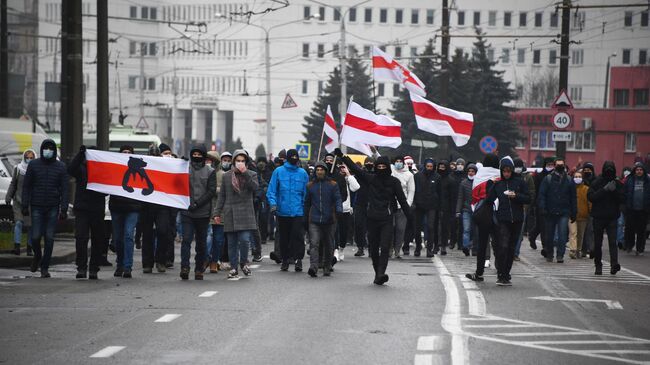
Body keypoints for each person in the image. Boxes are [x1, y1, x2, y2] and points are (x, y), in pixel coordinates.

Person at [336, 149, 409, 285]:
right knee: (374, 248)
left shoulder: (394, 182)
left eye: (383, 167)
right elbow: (356, 169)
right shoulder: (371, 179)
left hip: (387, 218)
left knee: (385, 247)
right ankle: (377, 273)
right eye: (379, 167)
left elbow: (402, 201)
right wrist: (342, 157)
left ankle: (381, 272)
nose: (381, 169)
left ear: (387, 167)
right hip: (372, 218)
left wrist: (410, 218)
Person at [22, 139, 69, 278]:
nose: (48, 150)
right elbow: (26, 186)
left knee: (49, 238)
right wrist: (25, 205)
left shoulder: (61, 167)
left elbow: (65, 189)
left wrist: (64, 209)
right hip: (36, 205)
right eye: (46, 148)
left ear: (54, 151)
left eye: (50, 148)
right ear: (42, 149)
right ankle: (38, 256)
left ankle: (45, 267)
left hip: (53, 206)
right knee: (35, 237)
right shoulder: (34, 165)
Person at [214, 150, 259, 279]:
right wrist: (217, 213)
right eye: (238, 161)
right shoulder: (227, 176)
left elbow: (255, 188)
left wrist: (245, 173)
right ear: (234, 161)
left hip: (246, 212)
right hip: (230, 212)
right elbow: (222, 196)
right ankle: (234, 267)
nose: (240, 163)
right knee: (232, 243)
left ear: (246, 162)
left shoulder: (252, 174)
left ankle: (244, 263)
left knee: (244, 240)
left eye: (242, 161)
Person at [486, 157, 530, 286]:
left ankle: (506, 274)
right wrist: (491, 184)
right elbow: (489, 200)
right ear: (501, 171)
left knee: (511, 248)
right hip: (503, 219)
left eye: (509, 171)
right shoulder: (498, 184)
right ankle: (500, 272)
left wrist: (516, 196)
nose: (506, 173)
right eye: (504, 171)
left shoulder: (519, 182)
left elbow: (528, 198)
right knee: (503, 246)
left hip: (517, 219)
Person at [267, 149, 309, 272]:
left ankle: (298, 260)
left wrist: (305, 208)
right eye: (292, 156)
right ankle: (285, 259)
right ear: (288, 158)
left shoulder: (303, 173)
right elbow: (272, 190)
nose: (295, 158)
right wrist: (273, 204)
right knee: (284, 237)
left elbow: (306, 193)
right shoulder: (278, 172)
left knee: (298, 236)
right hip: (282, 211)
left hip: (298, 211)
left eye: (297, 156)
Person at [68, 145, 107, 280]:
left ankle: (93, 268)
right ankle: (81, 268)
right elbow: (71, 169)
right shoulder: (81, 168)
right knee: (81, 238)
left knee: (97, 240)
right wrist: (80, 154)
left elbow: (108, 189)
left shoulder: (103, 170)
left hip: (97, 209)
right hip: (82, 209)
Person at [180, 145, 216, 280]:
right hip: (186, 212)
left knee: (201, 243)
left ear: (203, 156)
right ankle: (184, 267)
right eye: (193, 154)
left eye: (199, 154)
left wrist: (197, 203)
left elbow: (211, 191)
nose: (196, 156)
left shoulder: (210, 171)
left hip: (203, 213)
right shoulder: (184, 168)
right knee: (186, 240)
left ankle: (199, 269)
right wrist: (179, 164)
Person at [466, 154, 500, 282]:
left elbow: (474, 195)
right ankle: (501, 273)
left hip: (483, 214)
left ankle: (479, 273)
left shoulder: (479, 175)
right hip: (497, 214)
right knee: (498, 244)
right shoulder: (500, 175)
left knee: (482, 245)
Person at [304, 162, 343, 277]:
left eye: (321, 169)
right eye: (317, 170)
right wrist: (305, 217)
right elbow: (307, 203)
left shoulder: (333, 184)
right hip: (314, 220)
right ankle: (313, 267)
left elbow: (337, 199)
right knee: (314, 243)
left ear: (325, 171)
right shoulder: (310, 185)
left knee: (328, 243)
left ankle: (327, 266)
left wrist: (339, 210)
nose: (319, 172)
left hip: (329, 219)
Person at [141, 143, 174, 274]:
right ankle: (147, 263)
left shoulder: (165, 165)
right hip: (147, 205)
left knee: (162, 232)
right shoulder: (143, 164)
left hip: (162, 205)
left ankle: (161, 261)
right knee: (147, 235)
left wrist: (182, 162)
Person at [109, 145, 141, 278]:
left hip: (132, 208)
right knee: (118, 239)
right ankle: (120, 264)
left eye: (129, 152)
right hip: (117, 207)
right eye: (124, 152)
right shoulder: (114, 168)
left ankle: (127, 267)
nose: (126, 154)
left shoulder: (138, 171)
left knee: (128, 235)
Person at [588, 161, 625, 275]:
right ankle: (598, 265)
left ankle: (614, 264)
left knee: (612, 243)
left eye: (611, 169)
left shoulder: (617, 183)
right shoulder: (596, 182)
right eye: (607, 168)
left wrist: (614, 191)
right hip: (599, 217)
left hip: (612, 217)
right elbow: (591, 197)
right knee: (598, 243)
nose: (609, 171)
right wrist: (604, 190)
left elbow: (623, 199)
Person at [537, 158, 577, 263]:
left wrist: (574, 212)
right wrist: (543, 208)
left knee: (562, 235)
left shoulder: (569, 179)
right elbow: (542, 195)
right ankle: (550, 254)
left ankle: (560, 255)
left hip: (564, 211)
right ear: (555, 166)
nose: (560, 167)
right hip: (550, 211)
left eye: (562, 165)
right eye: (558, 165)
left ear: (564, 166)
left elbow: (573, 197)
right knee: (549, 235)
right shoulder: (548, 179)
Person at [5, 149, 36, 256]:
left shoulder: (36, 170)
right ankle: (17, 247)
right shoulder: (17, 169)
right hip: (18, 201)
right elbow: (13, 184)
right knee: (18, 223)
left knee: (30, 226)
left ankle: (29, 248)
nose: (29, 159)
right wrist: (8, 196)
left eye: (31, 158)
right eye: (27, 157)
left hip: (31, 203)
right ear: (24, 157)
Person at [529, 157, 556, 252]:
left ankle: (532, 236)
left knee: (541, 226)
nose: (550, 167)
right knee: (543, 226)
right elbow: (535, 190)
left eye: (552, 165)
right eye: (548, 165)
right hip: (540, 204)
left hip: (552, 204)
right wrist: (535, 204)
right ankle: (546, 247)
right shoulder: (539, 176)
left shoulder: (555, 176)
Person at [391, 155, 415, 259]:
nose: (398, 163)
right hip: (391, 205)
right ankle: (389, 249)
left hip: (402, 206)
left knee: (400, 229)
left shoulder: (409, 175)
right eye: (397, 161)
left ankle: (397, 250)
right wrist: (374, 151)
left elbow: (411, 190)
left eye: (400, 161)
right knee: (390, 229)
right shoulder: (391, 170)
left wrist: (407, 204)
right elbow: (379, 159)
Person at [624, 162, 650, 255]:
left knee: (641, 231)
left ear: (644, 171)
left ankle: (640, 249)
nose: (639, 171)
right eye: (637, 170)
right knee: (629, 229)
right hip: (631, 209)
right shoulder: (629, 180)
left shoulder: (647, 181)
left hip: (643, 210)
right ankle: (629, 245)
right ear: (634, 171)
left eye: (641, 170)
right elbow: (625, 193)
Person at [513, 158, 536, 261]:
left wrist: (527, 205)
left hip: (523, 208)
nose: (518, 168)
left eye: (519, 166)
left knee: (519, 232)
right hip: (510, 207)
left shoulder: (527, 177)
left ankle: (515, 253)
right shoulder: (509, 176)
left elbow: (532, 192)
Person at [336, 163, 360, 261]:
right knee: (334, 231)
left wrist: (348, 174)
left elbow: (356, 187)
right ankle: (335, 250)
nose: (342, 169)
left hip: (346, 209)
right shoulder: (334, 178)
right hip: (334, 209)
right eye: (340, 167)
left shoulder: (349, 179)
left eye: (344, 167)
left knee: (343, 232)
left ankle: (341, 248)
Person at [353, 157, 375, 257]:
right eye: (367, 162)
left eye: (371, 162)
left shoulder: (376, 175)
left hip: (372, 204)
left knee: (372, 228)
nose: (369, 164)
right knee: (358, 226)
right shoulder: (360, 174)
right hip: (360, 203)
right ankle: (360, 247)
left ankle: (371, 248)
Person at [435, 160, 456, 255]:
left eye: (443, 167)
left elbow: (453, 196)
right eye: (440, 167)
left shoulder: (450, 180)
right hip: (435, 206)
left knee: (444, 228)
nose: (441, 169)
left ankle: (443, 246)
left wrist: (452, 210)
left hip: (446, 207)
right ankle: (436, 245)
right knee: (434, 227)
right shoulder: (435, 178)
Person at [456, 163, 477, 256]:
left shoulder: (478, 182)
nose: (471, 173)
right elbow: (460, 197)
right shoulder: (463, 183)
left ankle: (474, 247)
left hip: (477, 209)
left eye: (473, 171)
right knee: (466, 229)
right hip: (466, 209)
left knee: (475, 230)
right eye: (469, 171)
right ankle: (465, 246)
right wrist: (458, 210)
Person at [569, 171, 591, 259]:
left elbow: (589, 202)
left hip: (583, 215)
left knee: (581, 234)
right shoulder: (570, 188)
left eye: (579, 176)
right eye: (576, 176)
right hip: (571, 215)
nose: (577, 178)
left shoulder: (586, 189)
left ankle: (578, 249)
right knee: (573, 233)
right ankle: (573, 250)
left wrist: (590, 211)